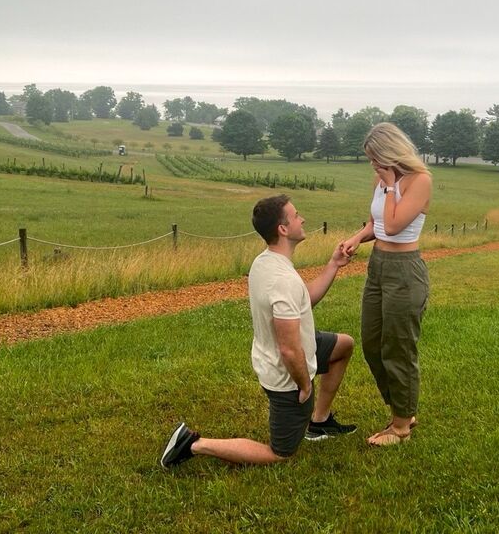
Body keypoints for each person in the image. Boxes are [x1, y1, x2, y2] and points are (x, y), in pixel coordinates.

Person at [161, 194, 356, 467]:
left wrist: (334, 264)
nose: (303, 219)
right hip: (287, 374)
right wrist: (303, 385)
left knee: (344, 345)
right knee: (280, 452)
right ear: (283, 229)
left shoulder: (265, 262)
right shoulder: (282, 279)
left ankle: (319, 422)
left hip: (286, 353)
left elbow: (304, 300)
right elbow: (289, 349)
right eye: (297, 215)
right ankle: (192, 443)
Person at [341, 123, 432, 447]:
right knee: (371, 342)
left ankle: (401, 426)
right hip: (377, 267)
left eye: (375, 157)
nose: (373, 165)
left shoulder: (419, 181)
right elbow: (376, 222)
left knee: (398, 347)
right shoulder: (383, 180)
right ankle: (403, 409)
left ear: (391, 151)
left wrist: (392, 185)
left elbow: (393, 226)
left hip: (405, 271)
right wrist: (356, 238)